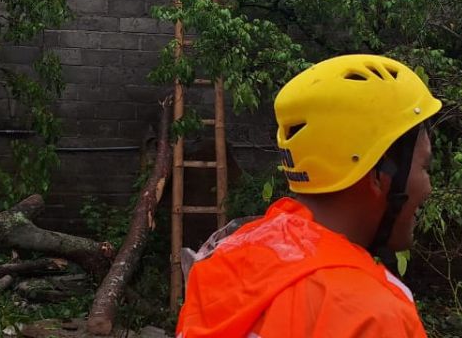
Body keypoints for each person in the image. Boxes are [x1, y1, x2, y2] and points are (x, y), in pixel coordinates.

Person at [176, 54, 440, 338]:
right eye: (425, 167)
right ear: (379, 173)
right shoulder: (373, 316)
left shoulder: (226, 260)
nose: (428, 188)